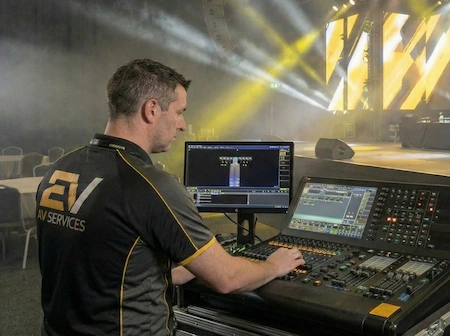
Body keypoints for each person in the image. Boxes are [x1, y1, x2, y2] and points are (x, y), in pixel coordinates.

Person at [36, 59, 305, 335]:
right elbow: (228, 278)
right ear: (152, 109)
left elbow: (99, 266)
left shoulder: (61, 169)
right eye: (179, 112)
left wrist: (174, 272)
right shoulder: (151, 185)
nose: (183, 125)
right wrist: (273, 265)